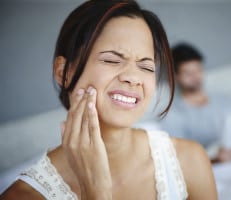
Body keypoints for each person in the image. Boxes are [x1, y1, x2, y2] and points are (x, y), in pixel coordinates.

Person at [0, 1, 217, 200]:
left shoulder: (189, 160)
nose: (133, 78)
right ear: (64, 72)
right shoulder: (22, 196)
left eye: (146, 67)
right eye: (112, 60)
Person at [159, 43, 231, 163]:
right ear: (176, 76)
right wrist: (216, 160)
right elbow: (180, 158)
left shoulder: (224, 100)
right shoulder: (173, 115)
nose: (196, 77)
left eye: (199, 70)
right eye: (188, 73)